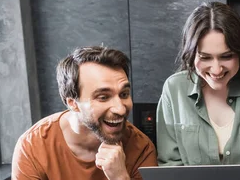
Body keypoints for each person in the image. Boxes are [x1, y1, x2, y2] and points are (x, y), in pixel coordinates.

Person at [156, 1, 240, 166]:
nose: (217, 69)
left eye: (226, 56)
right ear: (191, 55)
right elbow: (170, 164)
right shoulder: (173, 90)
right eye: (205, 57)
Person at [11, 46, 157, 180]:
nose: (120, 109)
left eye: (124, 94)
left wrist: (120, 177)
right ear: (73, 103)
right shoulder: (33, 146)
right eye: (103, 97)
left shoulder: (141, 148)